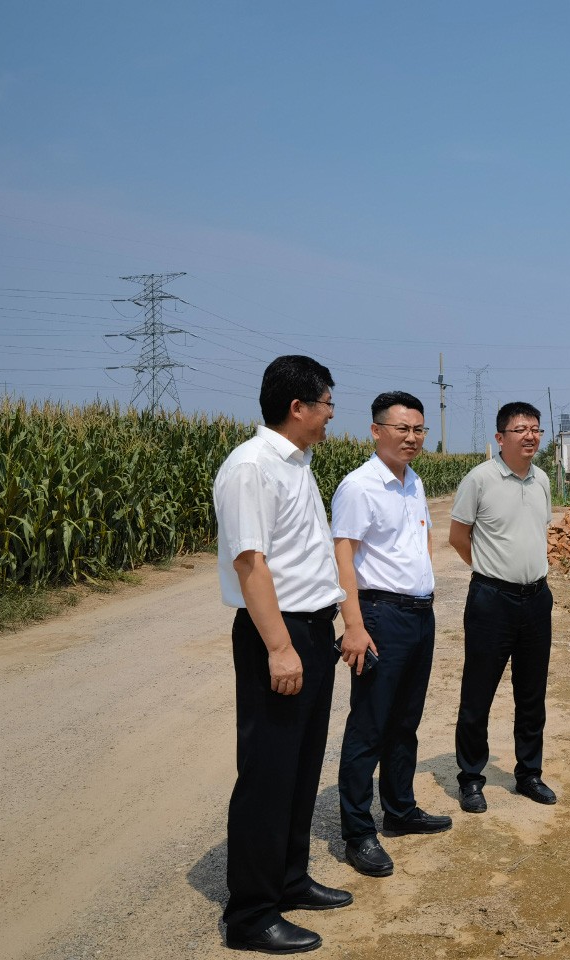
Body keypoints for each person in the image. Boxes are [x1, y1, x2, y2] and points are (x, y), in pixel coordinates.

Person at [213, 355, 349, 955]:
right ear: (298, 407)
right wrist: (279, 647)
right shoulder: (252, 467)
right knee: (268, 774)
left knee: (300, 766)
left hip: (312, 630)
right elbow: (251, 564)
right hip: (280, 634)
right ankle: (251, 913)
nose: (331, 415)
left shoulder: (298, 463)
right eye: (327, 404)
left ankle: (290, 879)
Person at [332, 391, 451, 878]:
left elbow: (419, 540)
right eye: (402, 428)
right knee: (370, 724)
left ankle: (400, 810)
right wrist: (354, 626)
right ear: (376, 431)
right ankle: (358, 832)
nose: (412, 437)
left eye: (419, 429)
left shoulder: (413, 480)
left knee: (405, 719)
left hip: (419, 615)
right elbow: (342, 556)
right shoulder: (360, 487)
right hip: (380, 615)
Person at [449, 401, 556, 813]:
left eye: (535, 429)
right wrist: (488, 570)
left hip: (536, 599)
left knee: (532, 694)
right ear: (500, 437)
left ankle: (529, 774)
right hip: (492, 600)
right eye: (520, 429)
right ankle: (471, 778)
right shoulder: (480, 479)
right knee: (478, 693)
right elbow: (458, 537)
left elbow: (537, 532)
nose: (530, 436)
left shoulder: (542, 479)